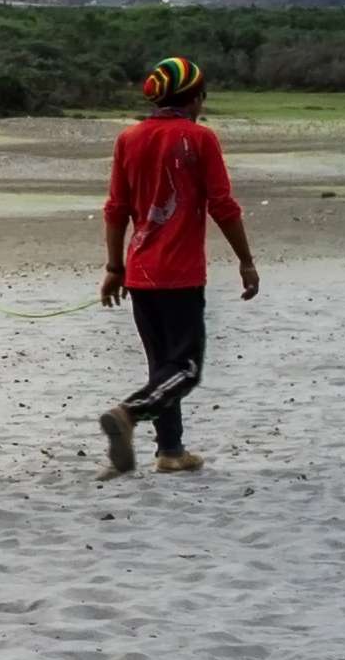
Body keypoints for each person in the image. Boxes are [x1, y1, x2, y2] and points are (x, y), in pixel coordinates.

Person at [98, 54, 259, 475]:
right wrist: (246, 261)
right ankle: (128, 415)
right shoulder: (200, 139)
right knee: (185, 368)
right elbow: (223, 206)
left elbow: (116, 209)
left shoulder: (128, 140)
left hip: (139, 273)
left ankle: (170, 452)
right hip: (180, 274)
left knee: (162, 366)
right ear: (196, 99)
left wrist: (114, 268)